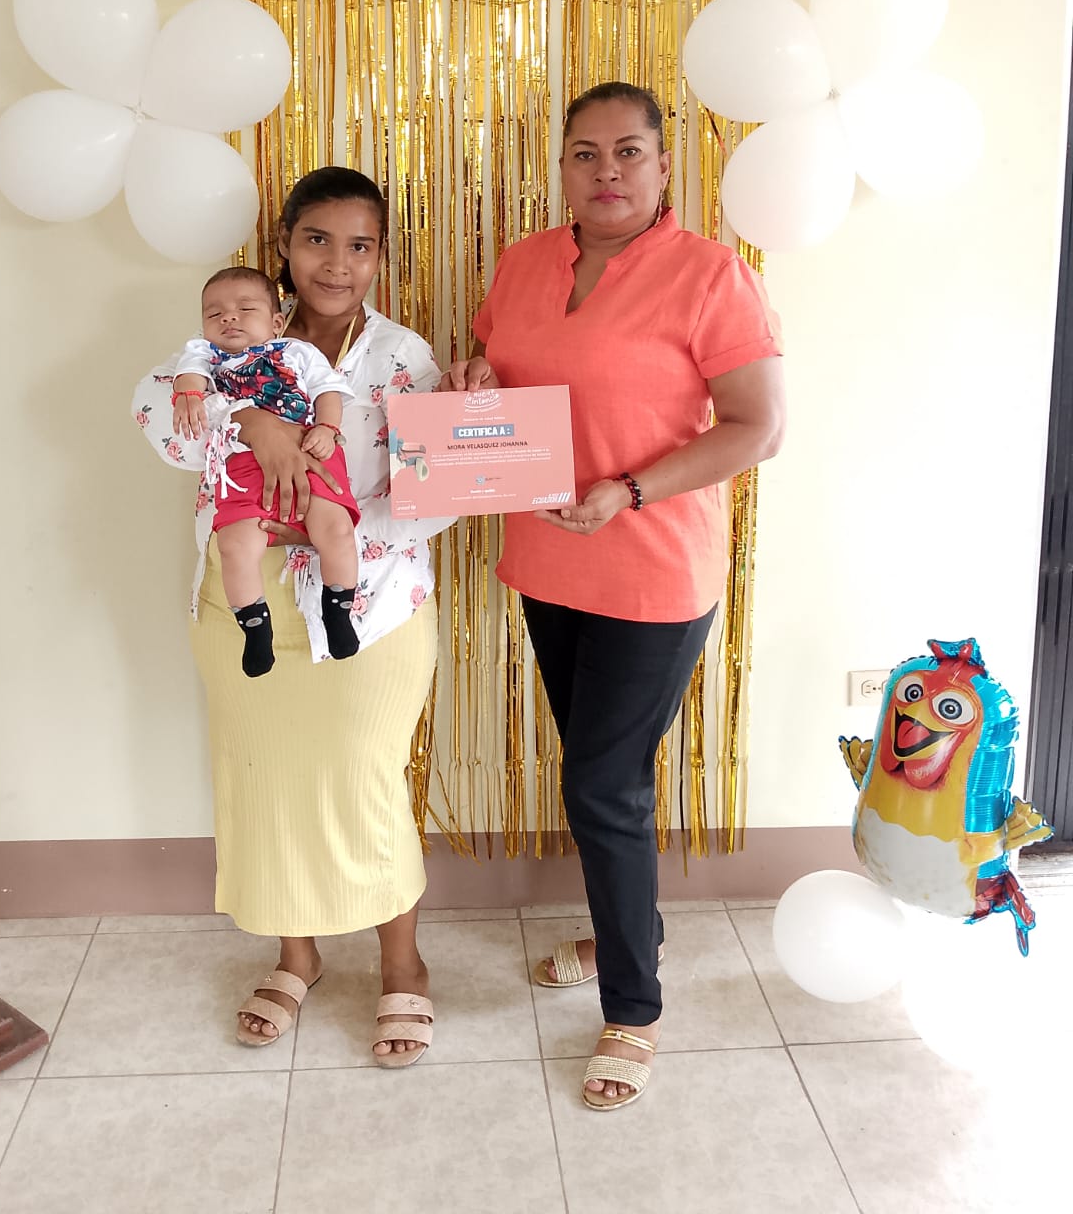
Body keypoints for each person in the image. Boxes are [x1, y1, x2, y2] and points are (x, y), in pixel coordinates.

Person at [444, 82, 786, 1111]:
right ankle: (629, 928)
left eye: (628, 151)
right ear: (562, 167)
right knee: (606, 777)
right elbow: (505, 368)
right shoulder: (523, 263)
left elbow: (758, 427)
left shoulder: (710, 275)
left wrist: (630, 489)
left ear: (664, 166)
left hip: (654, 569)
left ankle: (634, 1005)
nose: (606, 171)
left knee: (601, 787)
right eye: (585, 153)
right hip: (550, 562)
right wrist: (474, 382)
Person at [133, 167, 453, 1066]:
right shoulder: (225, 338)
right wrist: (249, 417)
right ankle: (296, 955)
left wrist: (331, 528)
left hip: (371, 604)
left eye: (360, 246)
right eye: (317, 240)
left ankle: (403, 965)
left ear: (380, 257)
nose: (337, 264)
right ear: (284, 245)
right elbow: (161, 425)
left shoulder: (402, 358)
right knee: (264, 779)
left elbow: (434, 495)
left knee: (366, 779)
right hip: (243, 603)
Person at [170, 266, 362, 673]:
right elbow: (189, 375)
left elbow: (328, 391)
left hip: (312, 450)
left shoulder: (298, 352)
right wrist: (188, 393)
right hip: (242, 460)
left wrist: (327, 428)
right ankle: (255, 626)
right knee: (235, 545)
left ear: (276, 323)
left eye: (245, 309)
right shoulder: (207, 355)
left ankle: (338, 608)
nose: (229, 317)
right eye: (215, 313)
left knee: (336, 530)